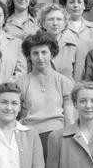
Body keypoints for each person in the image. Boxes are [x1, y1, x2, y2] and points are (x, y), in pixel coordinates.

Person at [16, 30, 75, 159]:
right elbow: (16, 115)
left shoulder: (64, 82)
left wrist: (70, 140)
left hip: (57, 135)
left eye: (44, 52)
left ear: (52, 54)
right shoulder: (21, 83)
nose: (40, 57)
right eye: (35, 53)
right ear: (29, 56)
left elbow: (70, 118)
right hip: (30, 136)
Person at [59, 0, 93, 80]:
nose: (76, 5)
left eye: (79, 2)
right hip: (64, 80)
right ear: (65, 6)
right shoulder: (59, 28)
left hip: (88, 80)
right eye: (72, 2)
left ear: (84, 6)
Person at [37, 3, 77, 80]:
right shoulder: (33, 45)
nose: (55, 23)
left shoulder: (74, 45)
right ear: (43, 24)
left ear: (65, 23)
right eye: (50, 19)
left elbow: (78, 75)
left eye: (59, 19)